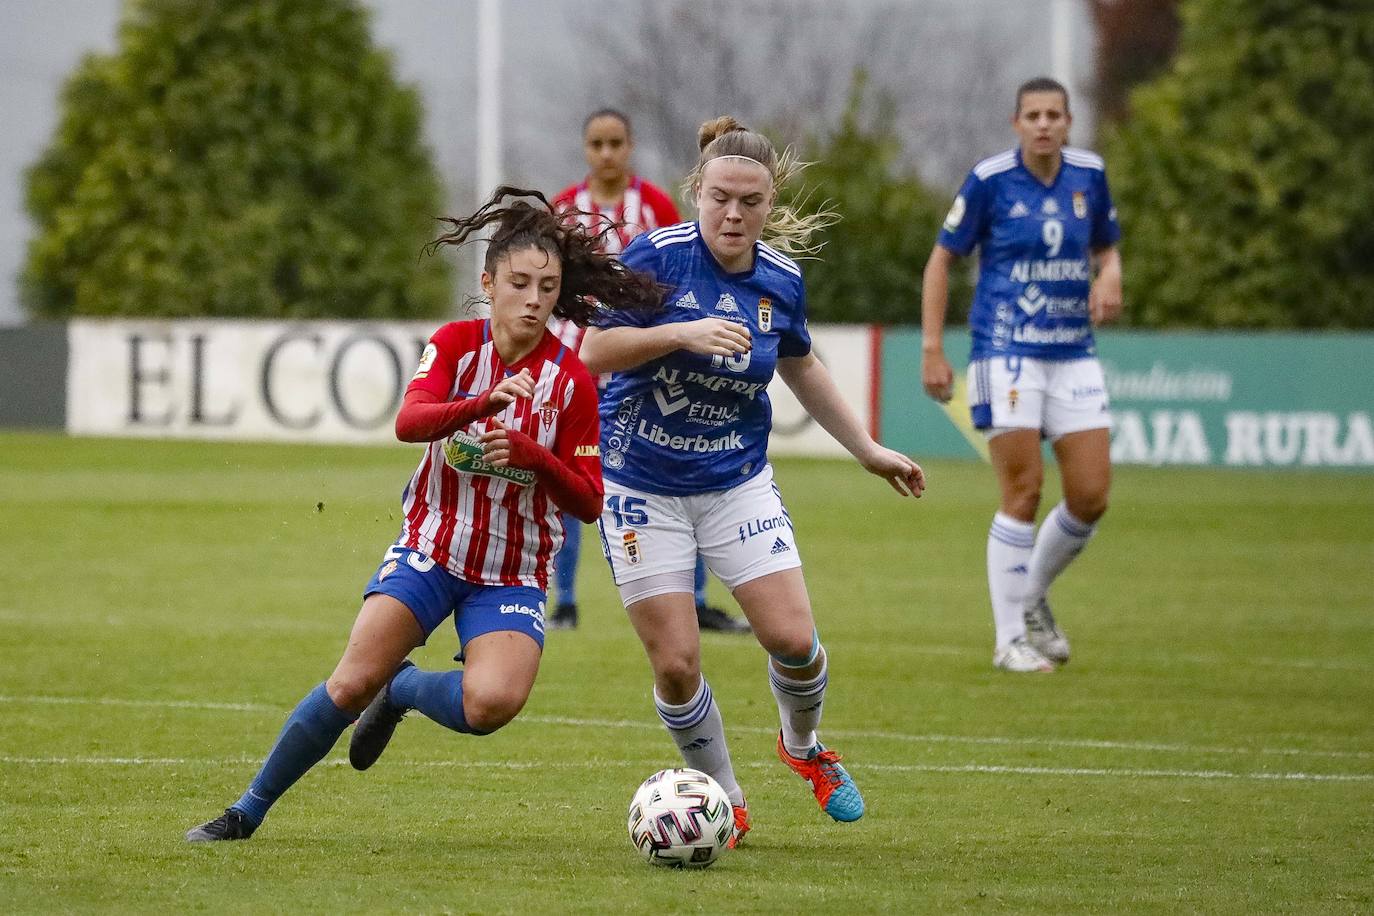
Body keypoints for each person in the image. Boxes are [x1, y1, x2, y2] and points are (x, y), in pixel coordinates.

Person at [184, 187, 663, 842]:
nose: (533, 299)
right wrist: (484, 404)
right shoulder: (456, 345)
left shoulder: (572, 382)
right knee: (350, 683)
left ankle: (404, 690)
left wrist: (530, 453)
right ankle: (245, 813)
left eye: (547, 287)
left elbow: (587, 499)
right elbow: (410, 422)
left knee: (491, 704)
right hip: (431, 549)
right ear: (488, 282)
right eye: (519, 282)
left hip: (511, 572)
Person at [580, 116, 926, 844]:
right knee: (676, 665)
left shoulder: (781, 279)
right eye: (720, 199)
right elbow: (595, 348)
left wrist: (866, 448)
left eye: (750, 201)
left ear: (771, 203)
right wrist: (680, 332)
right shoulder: (658, 259)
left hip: (735, 481)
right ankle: (725, 798)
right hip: (641, 485)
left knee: (793, 640)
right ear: (696, 193)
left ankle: (802, 748)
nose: (733, 214)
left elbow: (799, 363)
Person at [920, 76, 1123, 673]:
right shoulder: (989, 181)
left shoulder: (1089, 173)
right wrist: (933, 347)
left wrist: (1110, 275)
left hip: (1073, 353)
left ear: (1068, 122)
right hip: (1005, 350)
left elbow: (1107, 248)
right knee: (1024, 490)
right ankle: (1010, 638)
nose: (1043, 124)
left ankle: (1031, 596)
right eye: (1031, 114)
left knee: (1090, 496)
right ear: (1016, 124)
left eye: (1053, 114)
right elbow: (940, 261)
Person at [548, 107, 749, 635]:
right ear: (586, 149)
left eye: (616, 142)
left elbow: (690, 267)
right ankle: (564, 600)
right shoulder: (565, 209)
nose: (607, 153)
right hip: (581, 363)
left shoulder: (654, 205)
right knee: (572, 478)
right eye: (597, 143)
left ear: (630, 145)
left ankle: (697, 600)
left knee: (687, 469)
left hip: (647, 364)